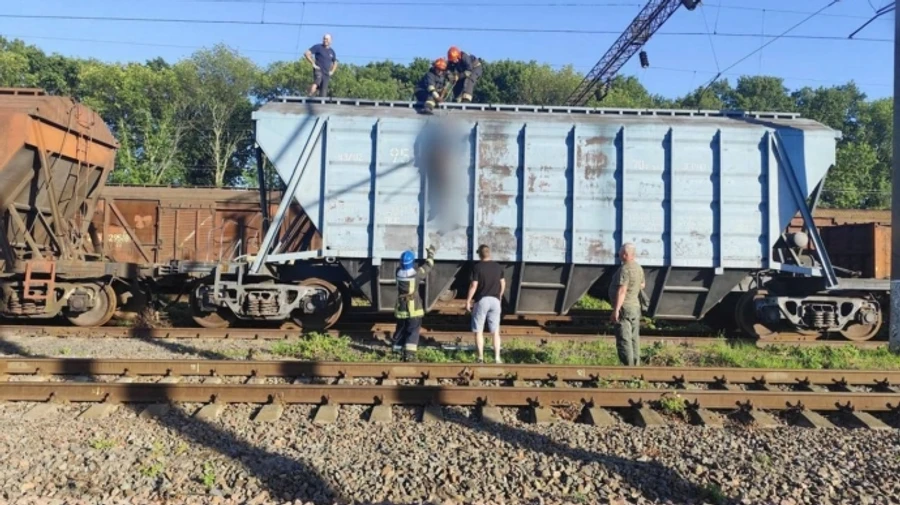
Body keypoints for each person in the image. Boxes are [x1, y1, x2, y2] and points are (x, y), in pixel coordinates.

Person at [391, 245, 436, 362]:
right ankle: (409, 354)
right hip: (414, 308)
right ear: (412, 262)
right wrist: (430, 253)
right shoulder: (416, 274)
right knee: (413, 330)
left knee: (401, 328)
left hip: (401, 307)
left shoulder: (397, 273)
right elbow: (428, 266)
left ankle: (396, 351)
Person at [465, 244, 504, 363]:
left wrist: (468, 301)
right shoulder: (498, 267)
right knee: (495, 331)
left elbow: (474, 285)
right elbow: (503, 283)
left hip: (482, 300)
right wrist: (500, 296)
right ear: (489, 253)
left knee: (478, 331)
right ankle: (497, 358)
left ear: (479, 254)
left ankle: (480, 358)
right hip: (495, 300)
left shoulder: (477, 267)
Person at [608, 243, 645, 366]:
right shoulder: (638, 268)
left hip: (625, 308)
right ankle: (636, 364)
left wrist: (616, 310)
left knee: (624, 338)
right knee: (634, 338)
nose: (618, 254)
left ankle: (628, 367)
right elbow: (642, 285)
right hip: (635, 307)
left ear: (625, 254)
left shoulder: (625, 269)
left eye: (620, 252)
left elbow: (622, 290)